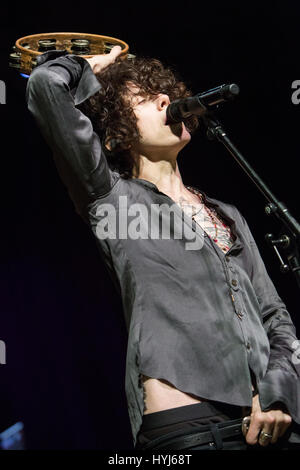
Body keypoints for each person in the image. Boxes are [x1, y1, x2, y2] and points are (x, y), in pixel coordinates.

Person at [26, 45, 300, 450]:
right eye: (144, 98)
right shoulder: (110, 199)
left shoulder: (228, 214)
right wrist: (91, 66)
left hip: (269, 426)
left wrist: (278, 394)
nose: (167, 100)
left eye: (166, 94)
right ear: (117, 132)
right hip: (186, 431)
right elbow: (45, 88)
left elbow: (276, 318)